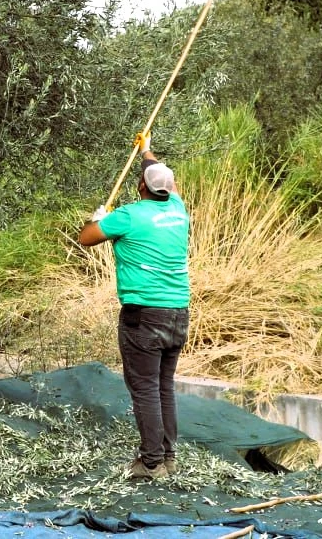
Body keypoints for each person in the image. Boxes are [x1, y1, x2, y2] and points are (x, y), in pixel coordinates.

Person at [77, 134, 190, 480]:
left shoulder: (127, 216)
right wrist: (145, 149)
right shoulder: (177, 209)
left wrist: (98, 218)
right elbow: (156, 173)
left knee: (144, 389)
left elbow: (86, 239)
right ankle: (168, 458)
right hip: (178, 314)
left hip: (143, 317)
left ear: (140, 186)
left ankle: (151, 463)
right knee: (163, 387)